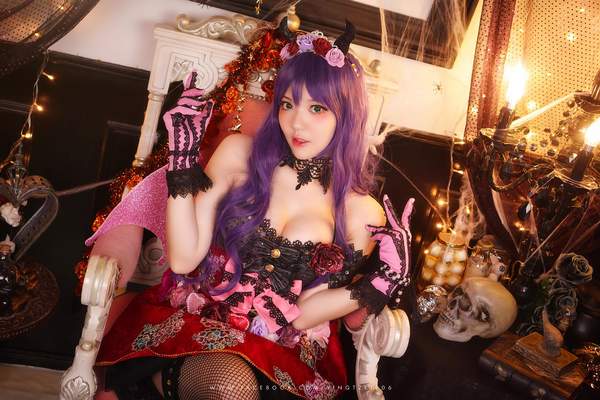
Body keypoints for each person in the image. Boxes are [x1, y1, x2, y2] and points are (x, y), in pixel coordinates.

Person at [92, 22, 414, 400]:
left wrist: (384, 281)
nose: (297, 122)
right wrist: (182, 164)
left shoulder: (362, 212)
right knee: (229, 388)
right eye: (288, 104)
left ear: (346, 116)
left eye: (316, 108)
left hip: (283, 355)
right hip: (202, 332)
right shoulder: (238, 154)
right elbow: (183, 259)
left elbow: (307, 313)